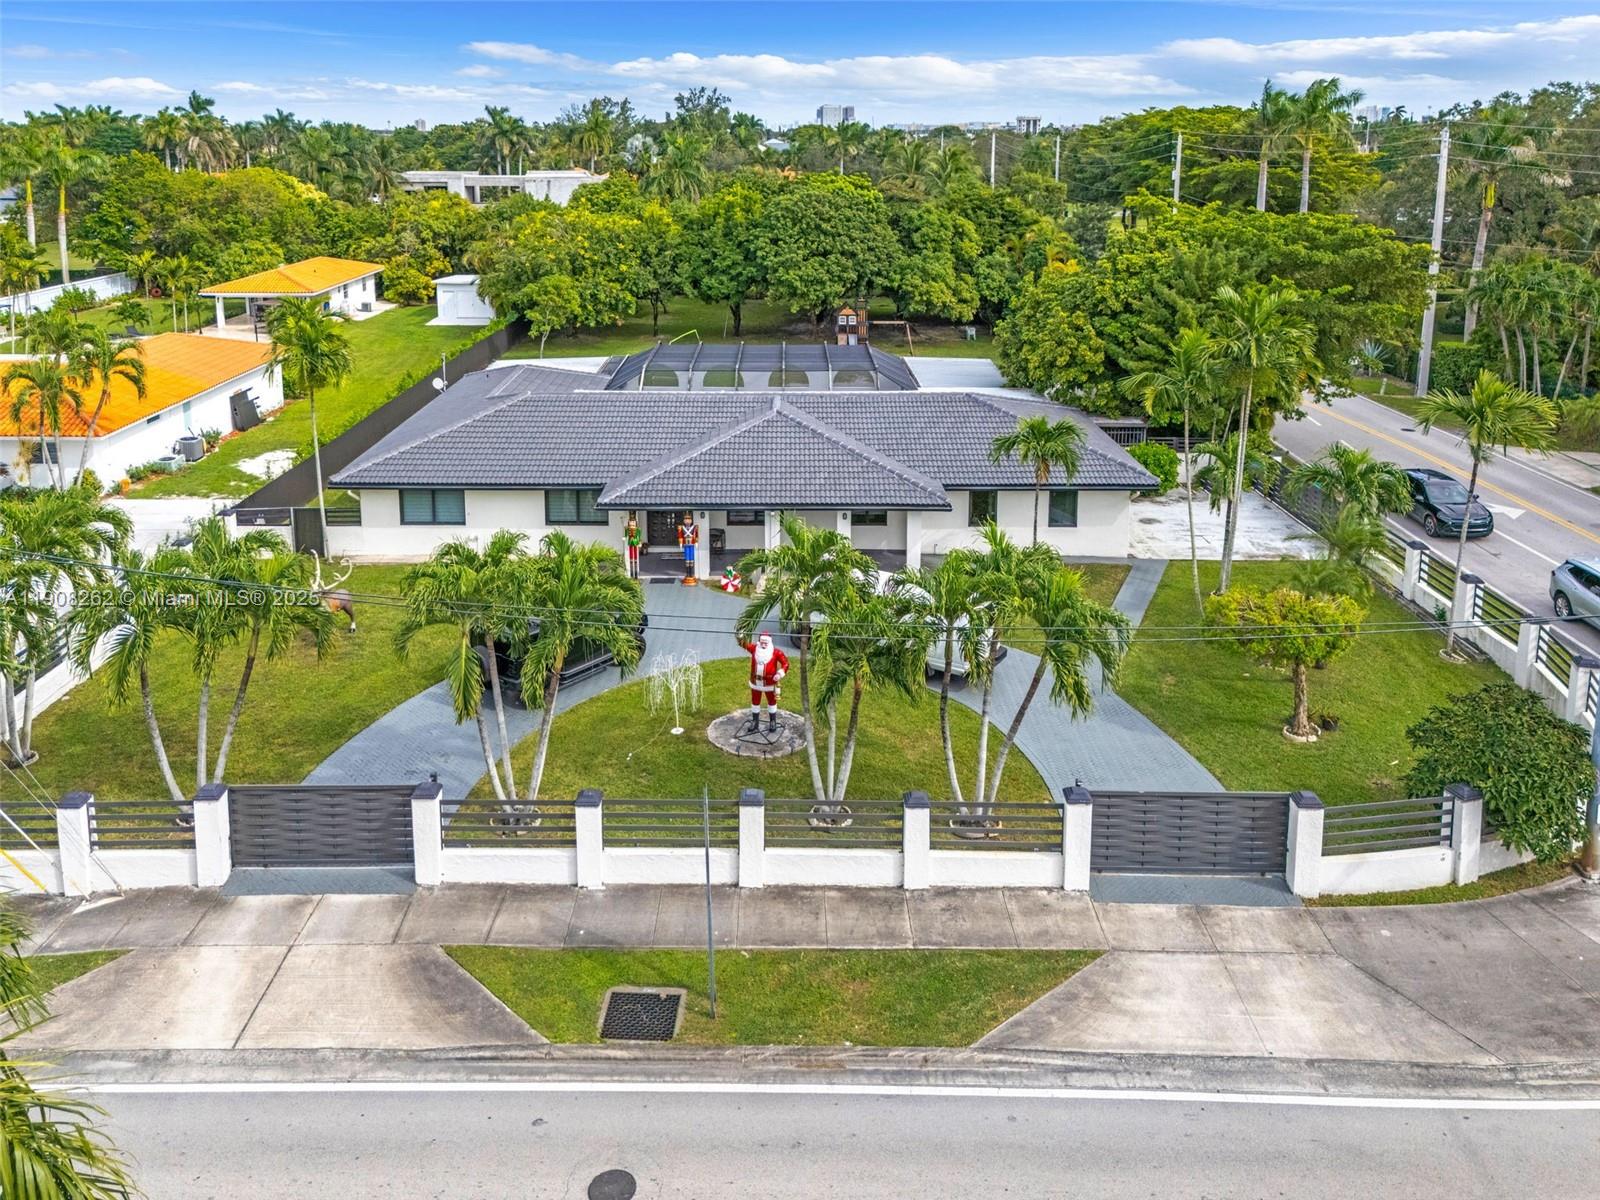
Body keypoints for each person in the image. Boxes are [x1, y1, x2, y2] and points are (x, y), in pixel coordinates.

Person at [741, 631, 789, 733]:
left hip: (769, 684)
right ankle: (755, 721)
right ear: (759, 642)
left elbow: (785, 664)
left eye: (766, 643)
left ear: (770, 643)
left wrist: (779, 673)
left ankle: (773, 721)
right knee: (755, 702)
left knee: (772, 702)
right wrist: (740, 634)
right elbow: (743, 644)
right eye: (762, 642)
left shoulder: (776, 652)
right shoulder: (754, 649)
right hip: (755, 683)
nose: (763, 645)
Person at [677, 511, 699, 586]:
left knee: (691, 559)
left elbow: (696, 535)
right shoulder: (681, 527)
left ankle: (691, 574)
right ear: (684, 520)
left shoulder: (694, 527)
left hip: (692, 544)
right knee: (687, 559)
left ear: (691, 520)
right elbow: (680, 535)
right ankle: (687, 574)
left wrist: (696, 542)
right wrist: (680, 543)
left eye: (689, 519)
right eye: (686, 519)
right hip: (686, 545)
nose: (687, 521)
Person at [625, 513, 642, 579]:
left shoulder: (638, 529)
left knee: (635, 553)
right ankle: (631, 561)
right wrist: (624, 536)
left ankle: (635, 563)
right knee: (630, 552)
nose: (632, 523)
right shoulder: (627, 529)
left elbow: (639, 536)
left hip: (636, 541)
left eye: (633, 522)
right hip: (630, 541)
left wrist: (640, 542)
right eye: (631, 522)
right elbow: (626, 534)